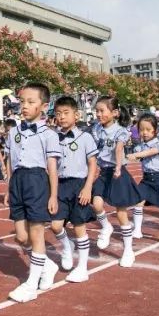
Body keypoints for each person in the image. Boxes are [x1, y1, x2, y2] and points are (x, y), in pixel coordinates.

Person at [6, 82, 62, 303]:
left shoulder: (49, 135)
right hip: (18, 181)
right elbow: (11, 161)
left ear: (44, 106)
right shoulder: (13, 131)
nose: (25, 106)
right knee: (21, 236)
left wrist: (53, 195)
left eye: (31, 102)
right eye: (22, 102)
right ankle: (48, 265)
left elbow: (52, 168)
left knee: (37, 233)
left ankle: (31, 283)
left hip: (37, 181)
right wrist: (10, 187)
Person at [48, 96, 99, 282]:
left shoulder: (85, 137)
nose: (61, 117)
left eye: (66, 113)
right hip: (60, 185)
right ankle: (67, 246)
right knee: (55, 225)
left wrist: (88, 188)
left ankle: (82, 268)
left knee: (79, 227)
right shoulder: (53, 138)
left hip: (79, 185)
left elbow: (92, 164)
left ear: (76, 115)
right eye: (58, 113)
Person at [89, 97, 139, 266]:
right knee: (96, 204)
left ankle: (128, 250)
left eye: (102, 111)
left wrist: (118, 167)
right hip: (104, 172)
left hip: (117, 173)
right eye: (97, 111)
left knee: (121, 213)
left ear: (115, 113)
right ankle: (106, 227)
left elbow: (118, 149)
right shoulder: (96, 128)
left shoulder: (121, 131)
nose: (98, 114)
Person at [129, 115, 159, 246]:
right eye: (141, 129)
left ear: (154, 130)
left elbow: (152, 151)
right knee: (138, 202)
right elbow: (136, 155)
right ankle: (137, 230)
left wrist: (136, 155)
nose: (144, 132)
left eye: (148, 129)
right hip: (146, 179)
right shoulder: (140, 146)